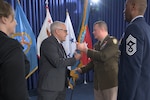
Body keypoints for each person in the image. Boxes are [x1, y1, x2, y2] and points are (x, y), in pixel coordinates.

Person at [76, 20, 119, 100]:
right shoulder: (97, 45)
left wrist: (86, 50)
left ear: (102, 29)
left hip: (109, 82)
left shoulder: (112, 42)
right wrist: (82, 70)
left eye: (95, 30)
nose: (93, 32)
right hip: (98, 83)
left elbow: (103, 56)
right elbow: (94, 62)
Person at [38, 21, 81, 100]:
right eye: (65, 31)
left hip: (59, 86)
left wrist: (70, 74)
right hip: (50, 88)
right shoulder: (49, 43)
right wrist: (74, 59)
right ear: (57, 31)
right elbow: (57, 62)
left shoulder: (58, 44)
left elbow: (62, 62)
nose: (67, 34)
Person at [117, 0, 150, 100]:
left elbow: (132, 69)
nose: (123, 11)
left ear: (133, 6)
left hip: (134, 95)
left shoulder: (133, 29)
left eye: (125, 6)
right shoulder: (147, 29)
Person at [0, 1, 30, 100]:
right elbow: (16, 91)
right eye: (13, 19)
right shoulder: (11, 47)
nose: (16, 23)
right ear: (4, 19)